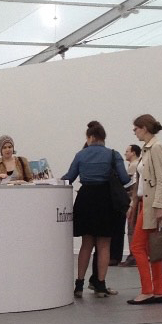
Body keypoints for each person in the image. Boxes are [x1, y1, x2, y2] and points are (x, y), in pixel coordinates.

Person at [61, 120, 130, 298]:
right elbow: (123, 178)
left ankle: (79, 284)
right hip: (105, 200)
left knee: (86, 244)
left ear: (90, 137)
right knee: (104, 245)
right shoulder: (113, 155)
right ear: (103, 138)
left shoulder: (81, 155)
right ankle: (100, 285)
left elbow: (69, 177)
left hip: (85, 199)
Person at [128, 115, 162, 305]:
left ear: (144, 128)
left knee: (137, 247)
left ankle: (148, 290)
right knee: (152, 248)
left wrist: (159, 206)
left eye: (136, 128)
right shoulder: (148, 149)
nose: (134, 132)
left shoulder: (156, 148)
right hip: (146, 203)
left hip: (152, 205)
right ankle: (157, 290)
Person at [115, 144, 141, 267]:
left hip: (132, 202)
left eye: (127, 151)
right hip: (133, 201)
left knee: (132, 229)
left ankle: (133, 256)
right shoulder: (134, 165)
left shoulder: (134, 166)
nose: (125, 153)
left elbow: (130, 185)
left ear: (134, 153)